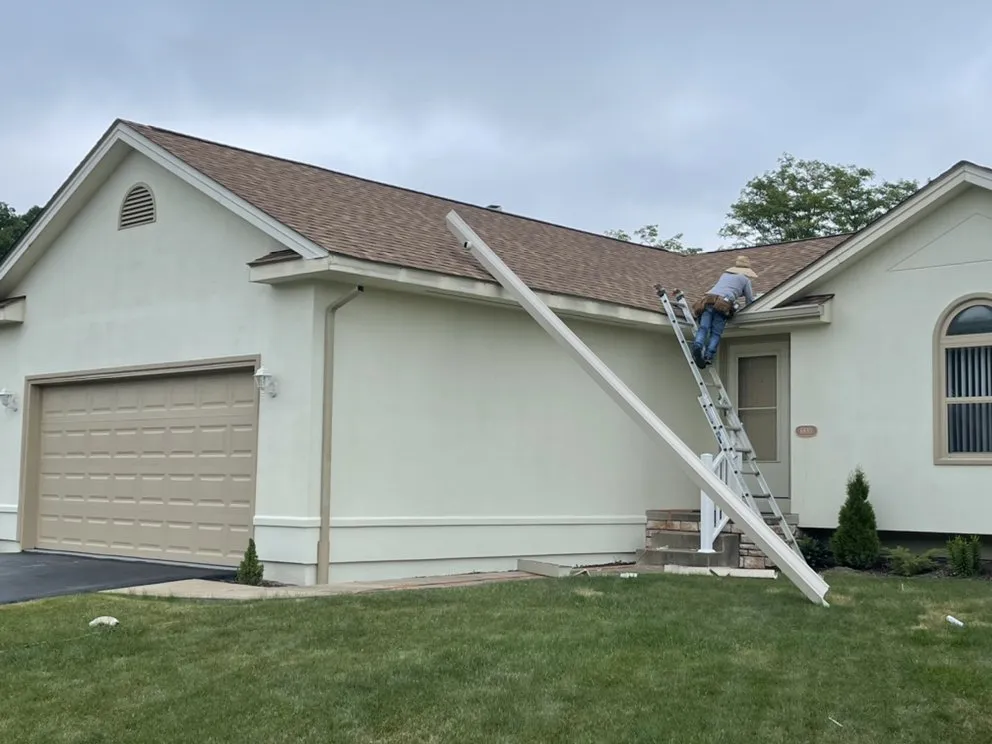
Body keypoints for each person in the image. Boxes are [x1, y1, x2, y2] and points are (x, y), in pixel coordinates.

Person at [690, 255, 758, 368]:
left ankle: (697, 345)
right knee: (716, 333)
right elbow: (749, 300)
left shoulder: (725, 275)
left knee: (704, 328)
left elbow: (724, 288)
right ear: (747, 270)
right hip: (723, 305)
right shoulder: (746, 280)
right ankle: (708, 356)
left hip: (708, 299)